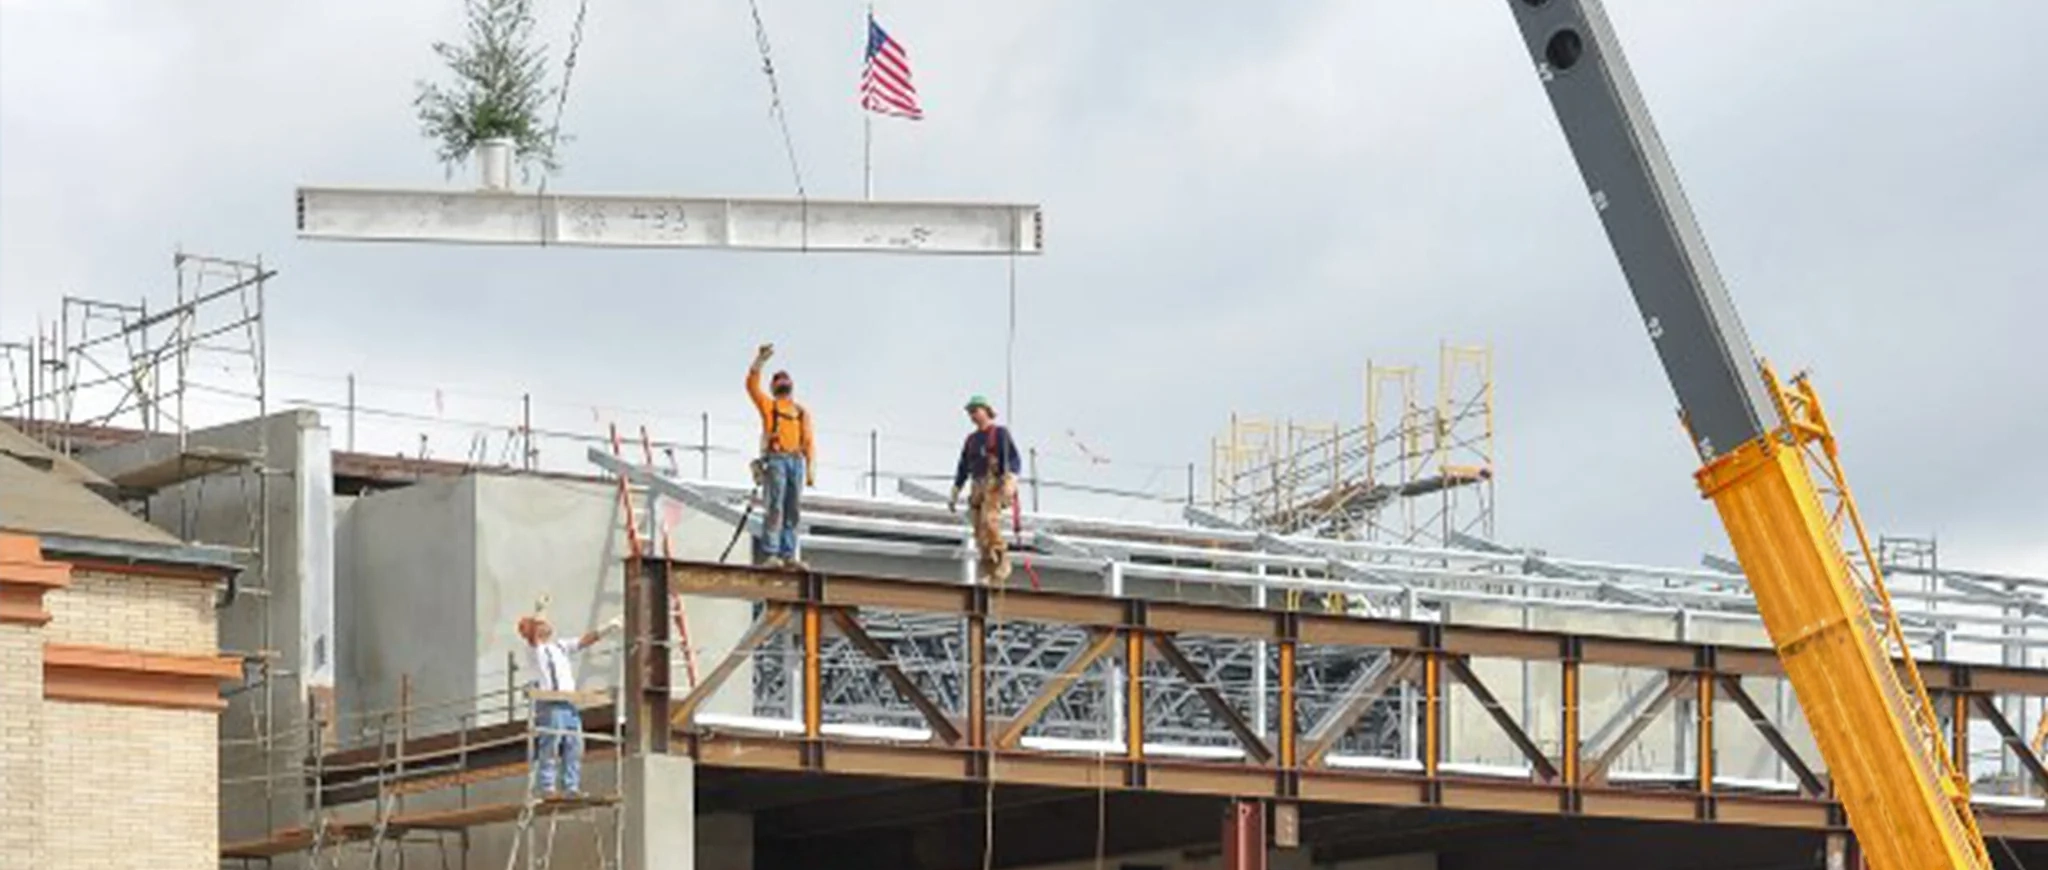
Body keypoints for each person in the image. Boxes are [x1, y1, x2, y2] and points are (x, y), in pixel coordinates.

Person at [516, 603, 621, 797]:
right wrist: (538, 614)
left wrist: (606, 629)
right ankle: (547, 786)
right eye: (541, 625)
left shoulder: (560, 646)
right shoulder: (536, 651)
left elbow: (583, 641)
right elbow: (532, 637)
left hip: (568, 703)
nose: (547, 626)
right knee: (551, 742)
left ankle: (570, 786)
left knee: (574, 744)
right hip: (550, 703)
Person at [747, 342, 815, 570]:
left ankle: (788, 554)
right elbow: (752, 387)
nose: (783, 383)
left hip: (795, 461)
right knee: (775, 506)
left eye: (785, 380)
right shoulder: (770, 406)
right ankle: (772, 554)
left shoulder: (800, 412)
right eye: (780, 380)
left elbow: (808, 441)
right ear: (775, 387)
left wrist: (811, 469)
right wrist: (760, 362)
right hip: (777, 460)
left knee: (792, 509)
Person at [949, 395, 1023, 584]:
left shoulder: (999, 433)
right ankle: (989, 566)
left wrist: (1011, 480)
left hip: (994, 485)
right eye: (970, 412)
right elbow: (963, 466)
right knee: (979, 530)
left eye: (975, 411)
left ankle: (1002, 559)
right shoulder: (971, 440)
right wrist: (956, 489)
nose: (972, 415)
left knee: (990, 522)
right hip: (977, 486)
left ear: (986, 410)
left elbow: (1014, 459)